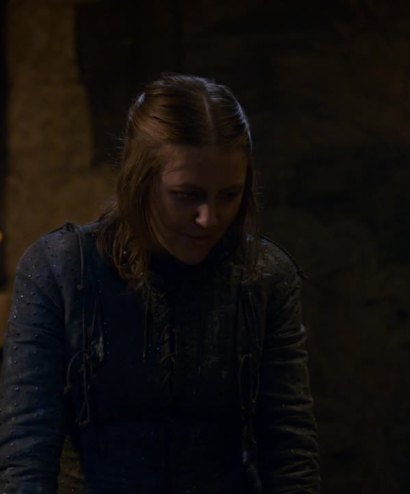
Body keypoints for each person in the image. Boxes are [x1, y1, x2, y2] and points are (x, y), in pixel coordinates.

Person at [0, 74, 320, 493]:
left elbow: (289, 448)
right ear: (142, 180)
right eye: (187, 195)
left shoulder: (262, 278)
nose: (209, 218)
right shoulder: (60, 270)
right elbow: (27, 452)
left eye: (228, 195)